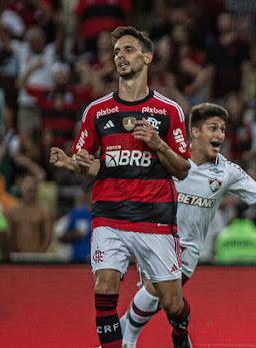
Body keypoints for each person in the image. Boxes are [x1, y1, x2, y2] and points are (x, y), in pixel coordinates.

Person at [51, 102, 256, 346]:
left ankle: (170, 328)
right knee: (155, 293)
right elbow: (116, 168)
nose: (220, 135)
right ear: (195, 132)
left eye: (223, 129)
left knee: (167, 302)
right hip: (155, 236)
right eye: (214, 128)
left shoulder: (227, 172)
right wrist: (71, 163)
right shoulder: (168, 159)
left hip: (187, 250)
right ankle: (131, 339)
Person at [69, 26, 193, 348]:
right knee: (105, 286)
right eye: (116, 52)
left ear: (147, 57)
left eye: (127, 50)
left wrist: (158, 145)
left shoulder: (169, 112)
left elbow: (182, 170)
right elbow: (87, 166)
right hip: (109, 215)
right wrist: (81, 164)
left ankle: (180, 332)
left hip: (155, 220)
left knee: (173, 304)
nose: (119, 56)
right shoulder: (97, 112)